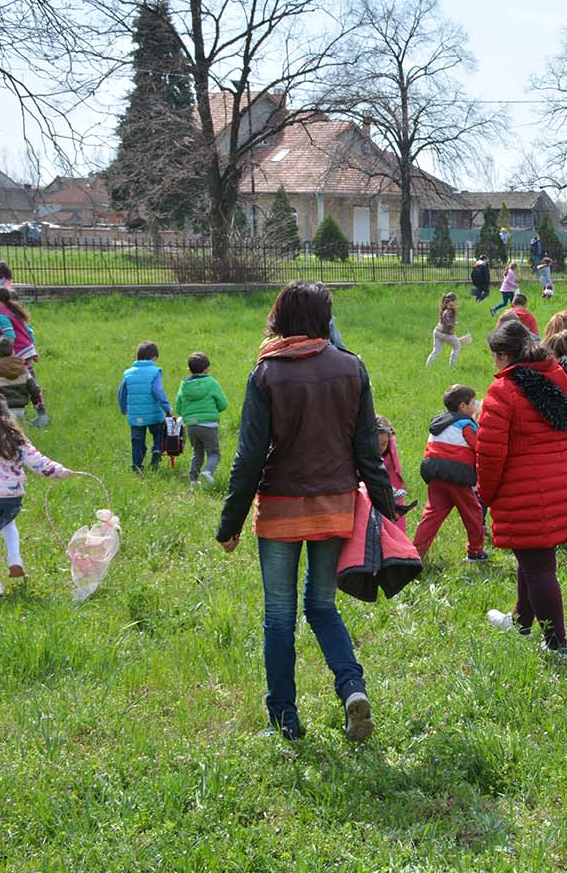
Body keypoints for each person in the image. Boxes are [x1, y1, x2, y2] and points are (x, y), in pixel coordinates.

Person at [216, 280, 399, 743]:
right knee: (321, 607)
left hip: (279, 510)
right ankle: (352, 687)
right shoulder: (352, 368)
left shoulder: (265, 373)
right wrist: (388, 513)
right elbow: (368, 453)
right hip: (335, 508)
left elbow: (249, 456)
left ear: (281, 317)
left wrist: (230, 522)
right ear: (322, 318)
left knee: (278, 616)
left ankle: (284, 719)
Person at [478, 321, 567, 656]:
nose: (495, 366)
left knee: (539, 567)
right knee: (533, 559)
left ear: (505, 356)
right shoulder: (566, 377)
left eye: (496, 358)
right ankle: (521, 622)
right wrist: (560, 458)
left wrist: (487, 492)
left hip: (524, 489)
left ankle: (556, 646)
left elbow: (490, 453)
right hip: (564, 479)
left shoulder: (504, 391)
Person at [0, 393, 72, 601]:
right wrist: (57, 470)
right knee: (9, 524)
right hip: (11, 493)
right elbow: (34, 458)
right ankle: (15, 559)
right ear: (3, 410)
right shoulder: (13, 434)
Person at [415, 383, 485, 562]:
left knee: (431, 515)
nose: (475, 405)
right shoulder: (466, 424)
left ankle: (415, 554)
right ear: (463, 406)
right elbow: (479, 447)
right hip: (457, 478)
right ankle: (475, 552)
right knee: (473, 514)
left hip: (435, 475)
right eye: (472, 402)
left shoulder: (439, 422)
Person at [118, 340, 173, 472]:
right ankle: (157, 451)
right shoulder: (155, 371)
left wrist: (123, 408)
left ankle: (137, 466)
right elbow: (157, 391)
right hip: (154, 413)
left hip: (136, 414)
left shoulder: (128, 373)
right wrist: (167, 408)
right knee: (158, 434)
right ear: (154, 357)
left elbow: (122, 392)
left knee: (137, 441)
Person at [176, 351, 229, 488]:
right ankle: (207, 472)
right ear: (207, 369)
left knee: (197, 453)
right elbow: (223, 404)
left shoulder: (184, 385)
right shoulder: (212, 383)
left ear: (189, 370)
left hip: (192, 426)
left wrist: (188, 416)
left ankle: (193, 481)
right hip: (209, 425)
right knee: (214, 453)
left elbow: (179, 406)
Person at [0, 337, 46, 426]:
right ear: (13, 352)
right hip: (20, 411)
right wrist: (39, 407)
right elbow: (34, 389)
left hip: (0, 412)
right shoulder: (23, 369)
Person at [0, 287, 36, 379]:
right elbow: (29, 331)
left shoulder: (1, 315)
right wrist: (33, 348)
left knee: (15, 376)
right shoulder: (12, 310)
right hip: (27, 348)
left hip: (18, 349)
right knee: (27, 375)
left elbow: (10, 337)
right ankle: (35, 392)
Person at [426, 292, 471, 368]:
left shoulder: (445, 309)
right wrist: (451, 324)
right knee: (457, 346)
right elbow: (446, 319)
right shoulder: (449, 311)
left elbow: (444, 319)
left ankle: (428, 365)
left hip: (437, 332)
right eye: (456, 301)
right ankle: (452, 366)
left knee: (436, 350)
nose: (456, 303)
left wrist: (453, 322)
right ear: (451, 302)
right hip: (446, 334)